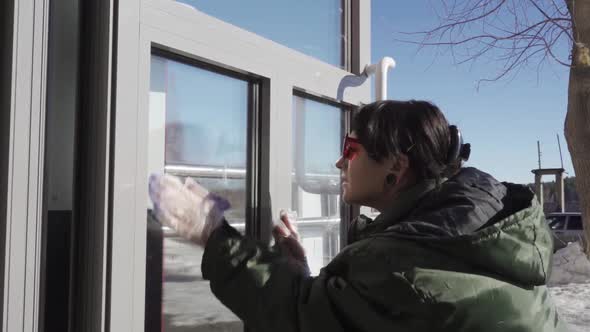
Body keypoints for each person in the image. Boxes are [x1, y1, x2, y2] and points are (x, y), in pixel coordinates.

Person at [149, 100, 567, 331]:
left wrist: (210, 232)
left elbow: (301, 321)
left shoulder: (405, 262)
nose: (338, 163)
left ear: (395, 168)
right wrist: (304, 275)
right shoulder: (474, 230)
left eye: (350, 150)